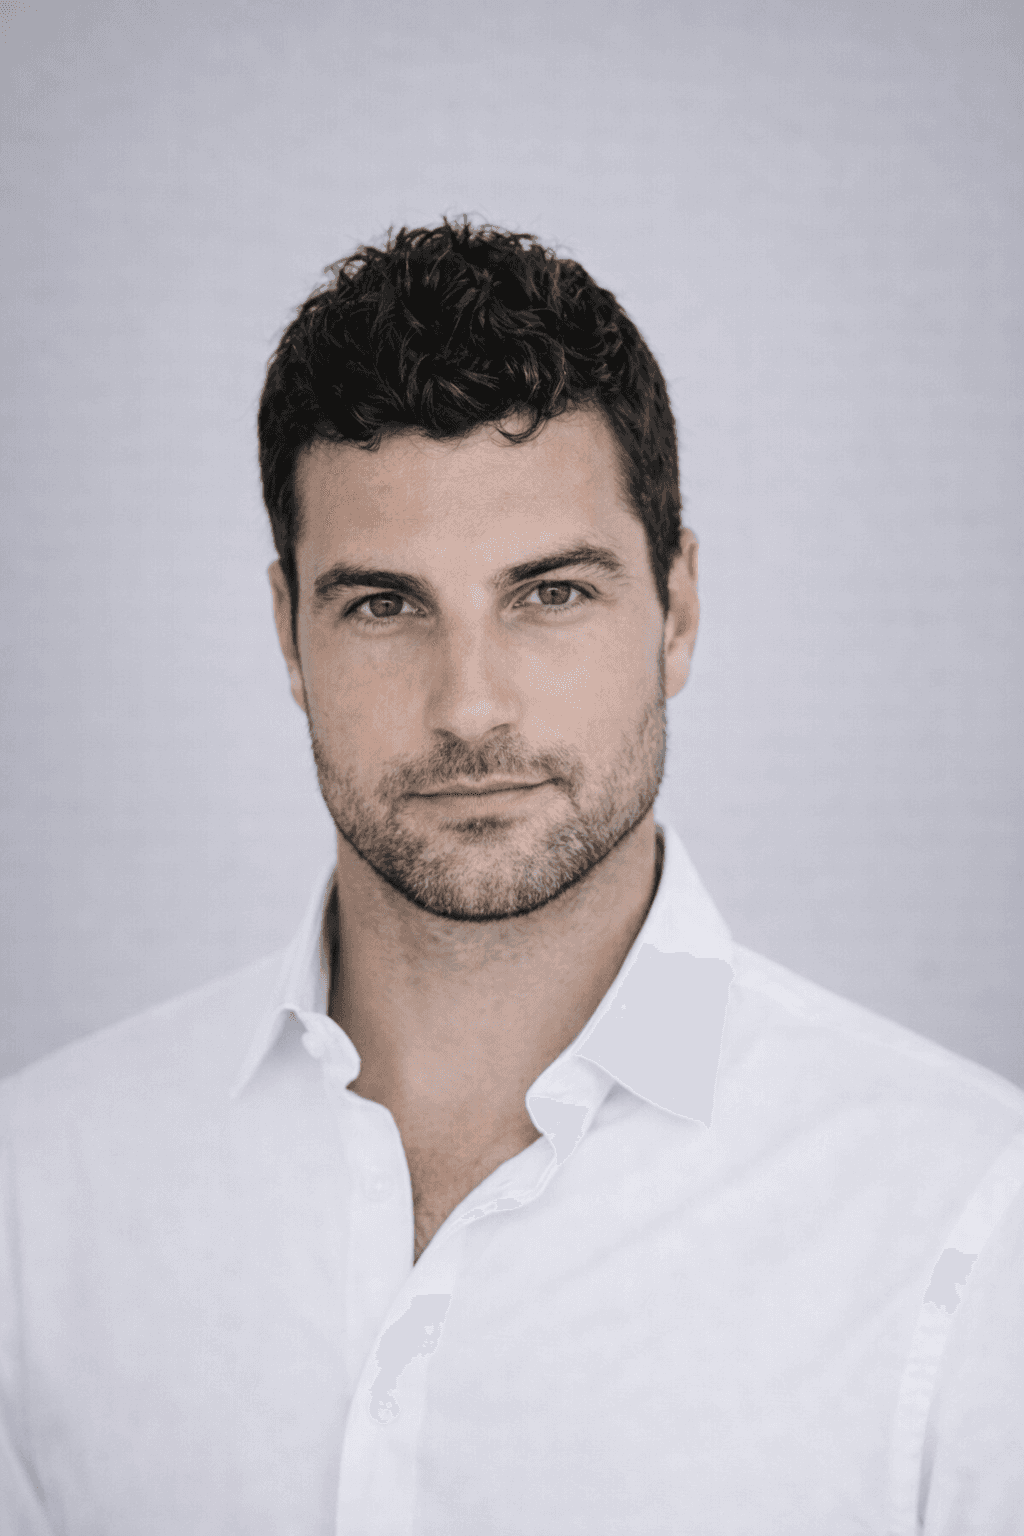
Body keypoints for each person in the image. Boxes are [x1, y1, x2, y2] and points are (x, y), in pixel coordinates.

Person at [2, 219, 1022, 1536]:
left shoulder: (970, 1225)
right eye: (383, 605)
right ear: (288, 635)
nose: (470, 707)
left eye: (548, 594)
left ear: (680, 610)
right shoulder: (37, 1198)